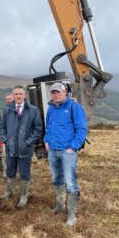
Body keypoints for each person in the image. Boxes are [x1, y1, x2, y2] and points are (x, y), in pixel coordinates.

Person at [43, 82, 87, 227]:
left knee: (70, 182)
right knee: (56, 179)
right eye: (53, 92)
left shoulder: (74, 107)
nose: (55, 95)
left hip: (67, 151)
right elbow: (48, 126)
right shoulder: (50, 108)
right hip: (53, 150)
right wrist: (46, 140)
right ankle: (60, 205)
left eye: (58, 92)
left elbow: (81, 129)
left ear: (65, 92)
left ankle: (72, 216)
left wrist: (73, 147)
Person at [0, 85, 42, 208]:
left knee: (25, 173)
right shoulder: (7, 110)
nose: (18, 96)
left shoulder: (33, 110)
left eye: (20, 94)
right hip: (10, 149)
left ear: (24, 95)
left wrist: (28, 142)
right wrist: (6, 141)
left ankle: (23, 196)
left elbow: (37, 128)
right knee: (10, 171)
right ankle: (8, 192)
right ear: (13, 95)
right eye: (16, 94)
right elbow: (1, 127)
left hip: (25, 150)